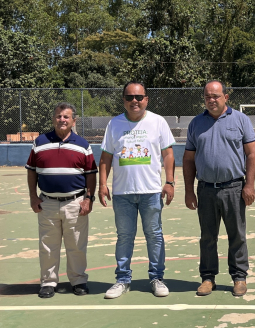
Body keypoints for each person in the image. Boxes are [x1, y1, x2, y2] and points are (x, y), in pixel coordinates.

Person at [99, 81, 176, 298]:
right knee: (124, 236)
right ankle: (122, 279)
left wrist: (169, 181)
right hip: (122, 193)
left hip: (151, 191)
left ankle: (157, 278)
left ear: (146, 99)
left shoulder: (158, 122)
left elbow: (168, 154)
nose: (135, 101)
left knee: (154, 235)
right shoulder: (114, 124)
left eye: (139, 97)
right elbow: (105, 157)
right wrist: (102, 184)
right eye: (129, 97)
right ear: (123, 100)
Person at [183, 80, 255, 297]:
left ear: (226, 97)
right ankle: (208, 278)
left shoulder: (240, 120)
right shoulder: (196, 123)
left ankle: (239, 277)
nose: (211, 100)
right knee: (207, 237)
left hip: (234, 187)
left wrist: (249, 185)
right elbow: (188, 159)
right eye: (207, 96)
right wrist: (189, 190)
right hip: (205, 189)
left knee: (237, 235)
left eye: (216, 96)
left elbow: (252, 154)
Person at [26, 102, 97, 298]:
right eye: (58, 116)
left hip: (75, 202)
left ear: (74, 120)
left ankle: (79, 281)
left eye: (66, 116)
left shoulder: (83, 145)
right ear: (53, 118)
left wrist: (88, 198)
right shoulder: (40, 142)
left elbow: (91, 174)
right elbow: (32, 172)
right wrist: (33, 196)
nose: (62, 120)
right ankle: (48, 282)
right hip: (47, 203)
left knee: (76, 245)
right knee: (48, 245)